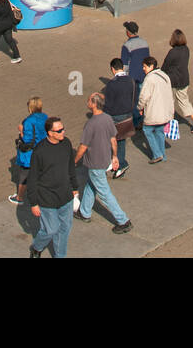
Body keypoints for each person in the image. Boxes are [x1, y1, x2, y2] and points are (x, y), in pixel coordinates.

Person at [74, 92, 133, 233]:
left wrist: (74, 161)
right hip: (104, 159)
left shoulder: (91, 124)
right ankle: (84, 212)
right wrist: (115, 156)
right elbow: (113, 140)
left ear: (94, 104)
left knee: (104, 193)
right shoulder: (107, 119)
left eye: (89, 100)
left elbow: (83, 147)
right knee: (90, 185)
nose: (87, 102)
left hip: (95, 163)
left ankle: (123, 220)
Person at [27, 117, 79, 258]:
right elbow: (32, 179)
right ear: (50, 133)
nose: (63, 132)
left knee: (64, 229)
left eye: (63, 128)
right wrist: (34, 203)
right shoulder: (40, 151)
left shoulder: (66, 143)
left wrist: (75, 186)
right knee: (50, 230)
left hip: (65, 196)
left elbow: (70, 167)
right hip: (47, 198)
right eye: (59, 130)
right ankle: (37, 247)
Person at [159, 29, 193, 134]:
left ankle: (168, 125)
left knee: (169, 102)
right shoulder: (186, 49)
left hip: (173, 80)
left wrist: (160, 74)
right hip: (184, 79)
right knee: (184, 100)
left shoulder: (172, 52)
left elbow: (165, 66)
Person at [102, 58, 136, 178]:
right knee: (121, 140)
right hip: (127, 114)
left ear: (112, 69)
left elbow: (108, 104)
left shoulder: (112, 83)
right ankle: (120, 163)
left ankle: (116, 163)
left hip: (115, 116)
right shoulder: (131, 80)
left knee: (112, 140)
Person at [11, 96, 47, 205]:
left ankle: (19, 197)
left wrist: (21, 131)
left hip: (30, 154)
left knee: (24, 176)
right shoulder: (45, 117)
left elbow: (27, 139)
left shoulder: (28, 121)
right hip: (43, 149)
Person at [137, 56, 174, 164]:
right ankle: (162, 155)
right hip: (165, 111)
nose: (143, 69)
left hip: (154, 111)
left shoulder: (149, 78)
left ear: (151, 66)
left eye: (144, 66)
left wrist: (140, 107)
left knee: (147, 130)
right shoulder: (165, 76)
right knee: (159, 131)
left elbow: (143, 97)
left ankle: (157, 154)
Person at [120, 21, 149, 126]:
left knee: (135, 100)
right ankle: (146, 117)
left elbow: (125, 65)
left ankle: (138, 122)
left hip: (133, 77)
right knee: (144, 98)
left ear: (128, 32)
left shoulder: (127, 46)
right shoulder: (145, 43)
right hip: (145, 75)